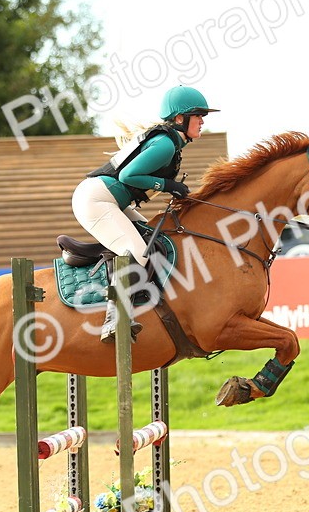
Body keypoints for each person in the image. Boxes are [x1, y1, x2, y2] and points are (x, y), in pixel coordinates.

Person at [73, 85, 218, 342]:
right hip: (96, 200)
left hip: (109, 200)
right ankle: (114, 319)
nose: (202, 121)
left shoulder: (170, 142)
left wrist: (169, 187)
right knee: (137, 252)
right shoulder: (166, 145)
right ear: (180, 119)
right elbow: (128, 176)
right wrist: (167, 185)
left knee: (157, 239)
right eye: (198, 115)